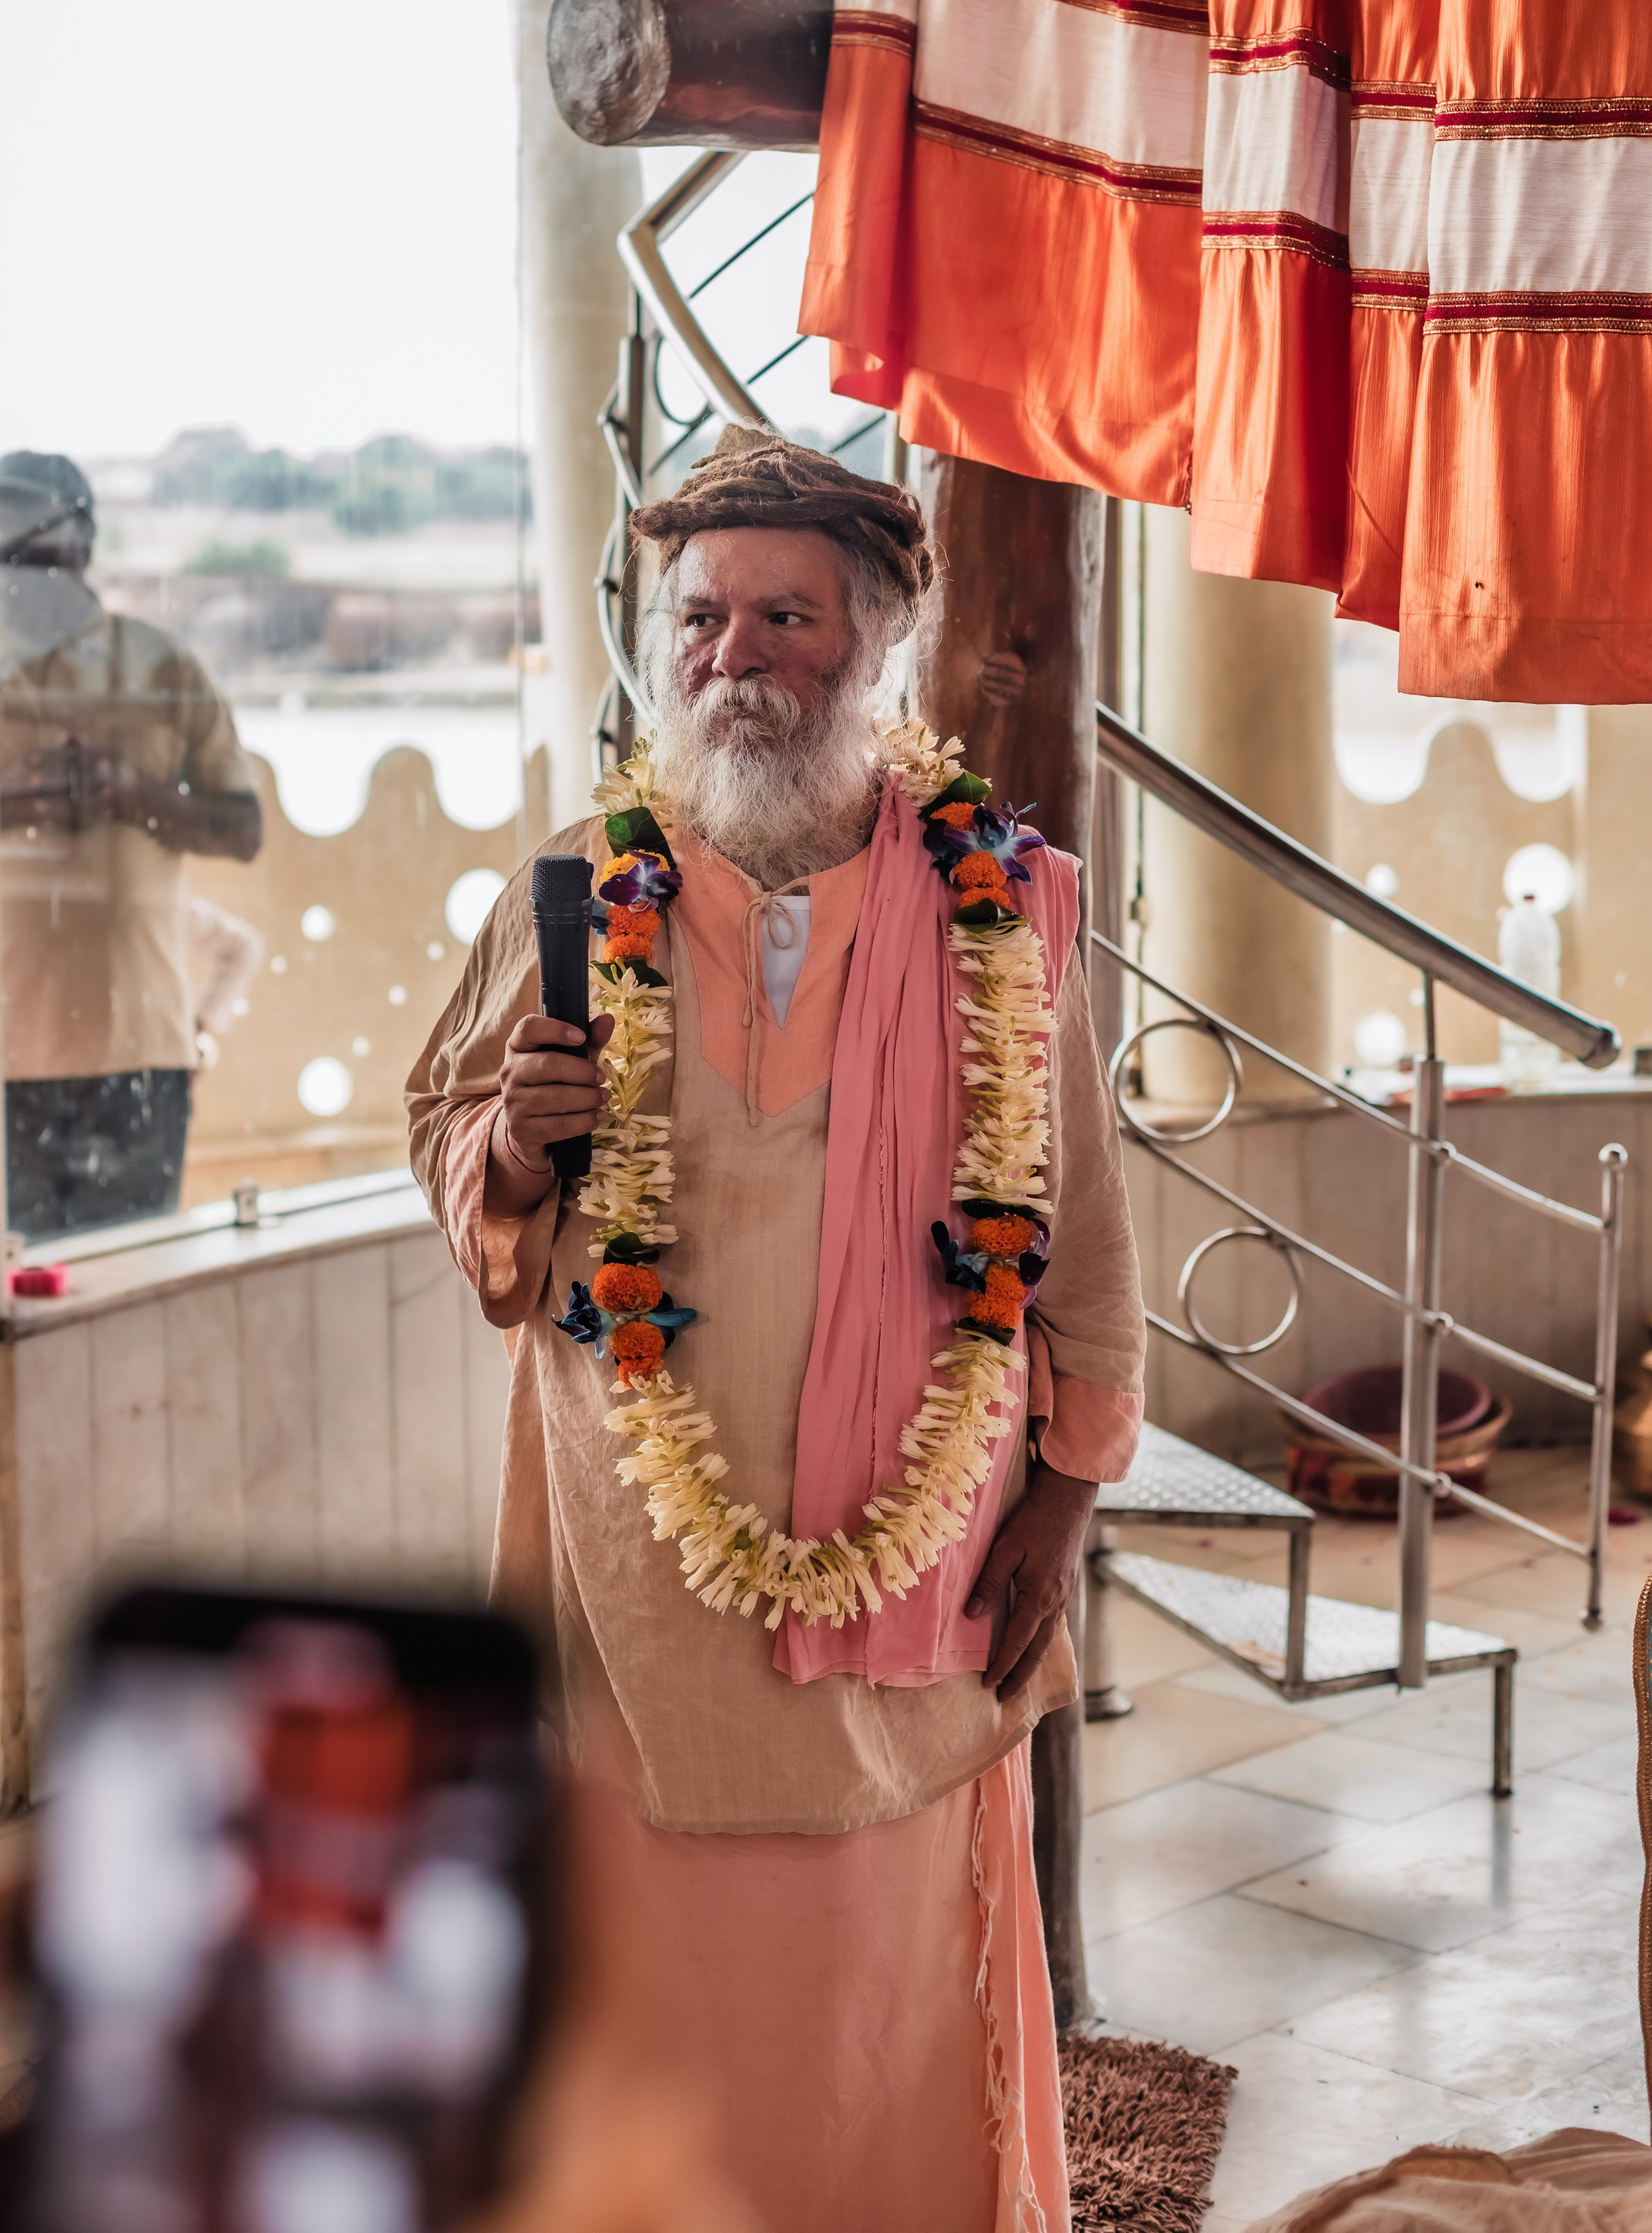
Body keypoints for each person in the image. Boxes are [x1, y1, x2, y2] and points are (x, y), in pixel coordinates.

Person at [408, 428, 1146, 2233]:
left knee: (880, 1971)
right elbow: (446, 1139)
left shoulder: (1002, 907)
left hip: (919, 1524)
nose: (735, 651)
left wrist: (1064, 1489)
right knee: (634, 1938)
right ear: (655, 641)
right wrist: (508, 1140)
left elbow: (1079, 1209)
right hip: (631, 1543)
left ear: (878, 635)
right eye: (700, 613)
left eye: (785, 614)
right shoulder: (572, 890)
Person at [0, 451, 263, 1240]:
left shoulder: (162, 668)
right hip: (8, 1061)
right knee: (20, 1321)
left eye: (41, 538)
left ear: (83, 541)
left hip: (142, 1060)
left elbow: (242, 831)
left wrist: (132, 794)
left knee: (128, 1307)